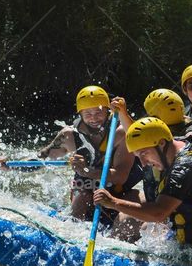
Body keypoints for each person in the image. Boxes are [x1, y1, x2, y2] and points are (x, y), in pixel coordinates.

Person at [93, 117, 192, 261]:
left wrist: (112, 202)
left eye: (144, 154)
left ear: (161, 143)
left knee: (146, 222)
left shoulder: (186, 166)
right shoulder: (187, 141)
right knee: (129, 223)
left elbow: (159, 213)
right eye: (138, 156)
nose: (144, 163)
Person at [16, 85, 140, 221]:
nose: (94, 118)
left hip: (117, 191)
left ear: (108, 111)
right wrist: (9, 166)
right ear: (80, 114)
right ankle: (74, 225)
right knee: (82, 193)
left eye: (99, 112)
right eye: (87, 114)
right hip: (85, 190)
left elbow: (120, 176)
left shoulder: (120, 133)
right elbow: (41, 159)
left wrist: (86, 171)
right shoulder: (69, 135)